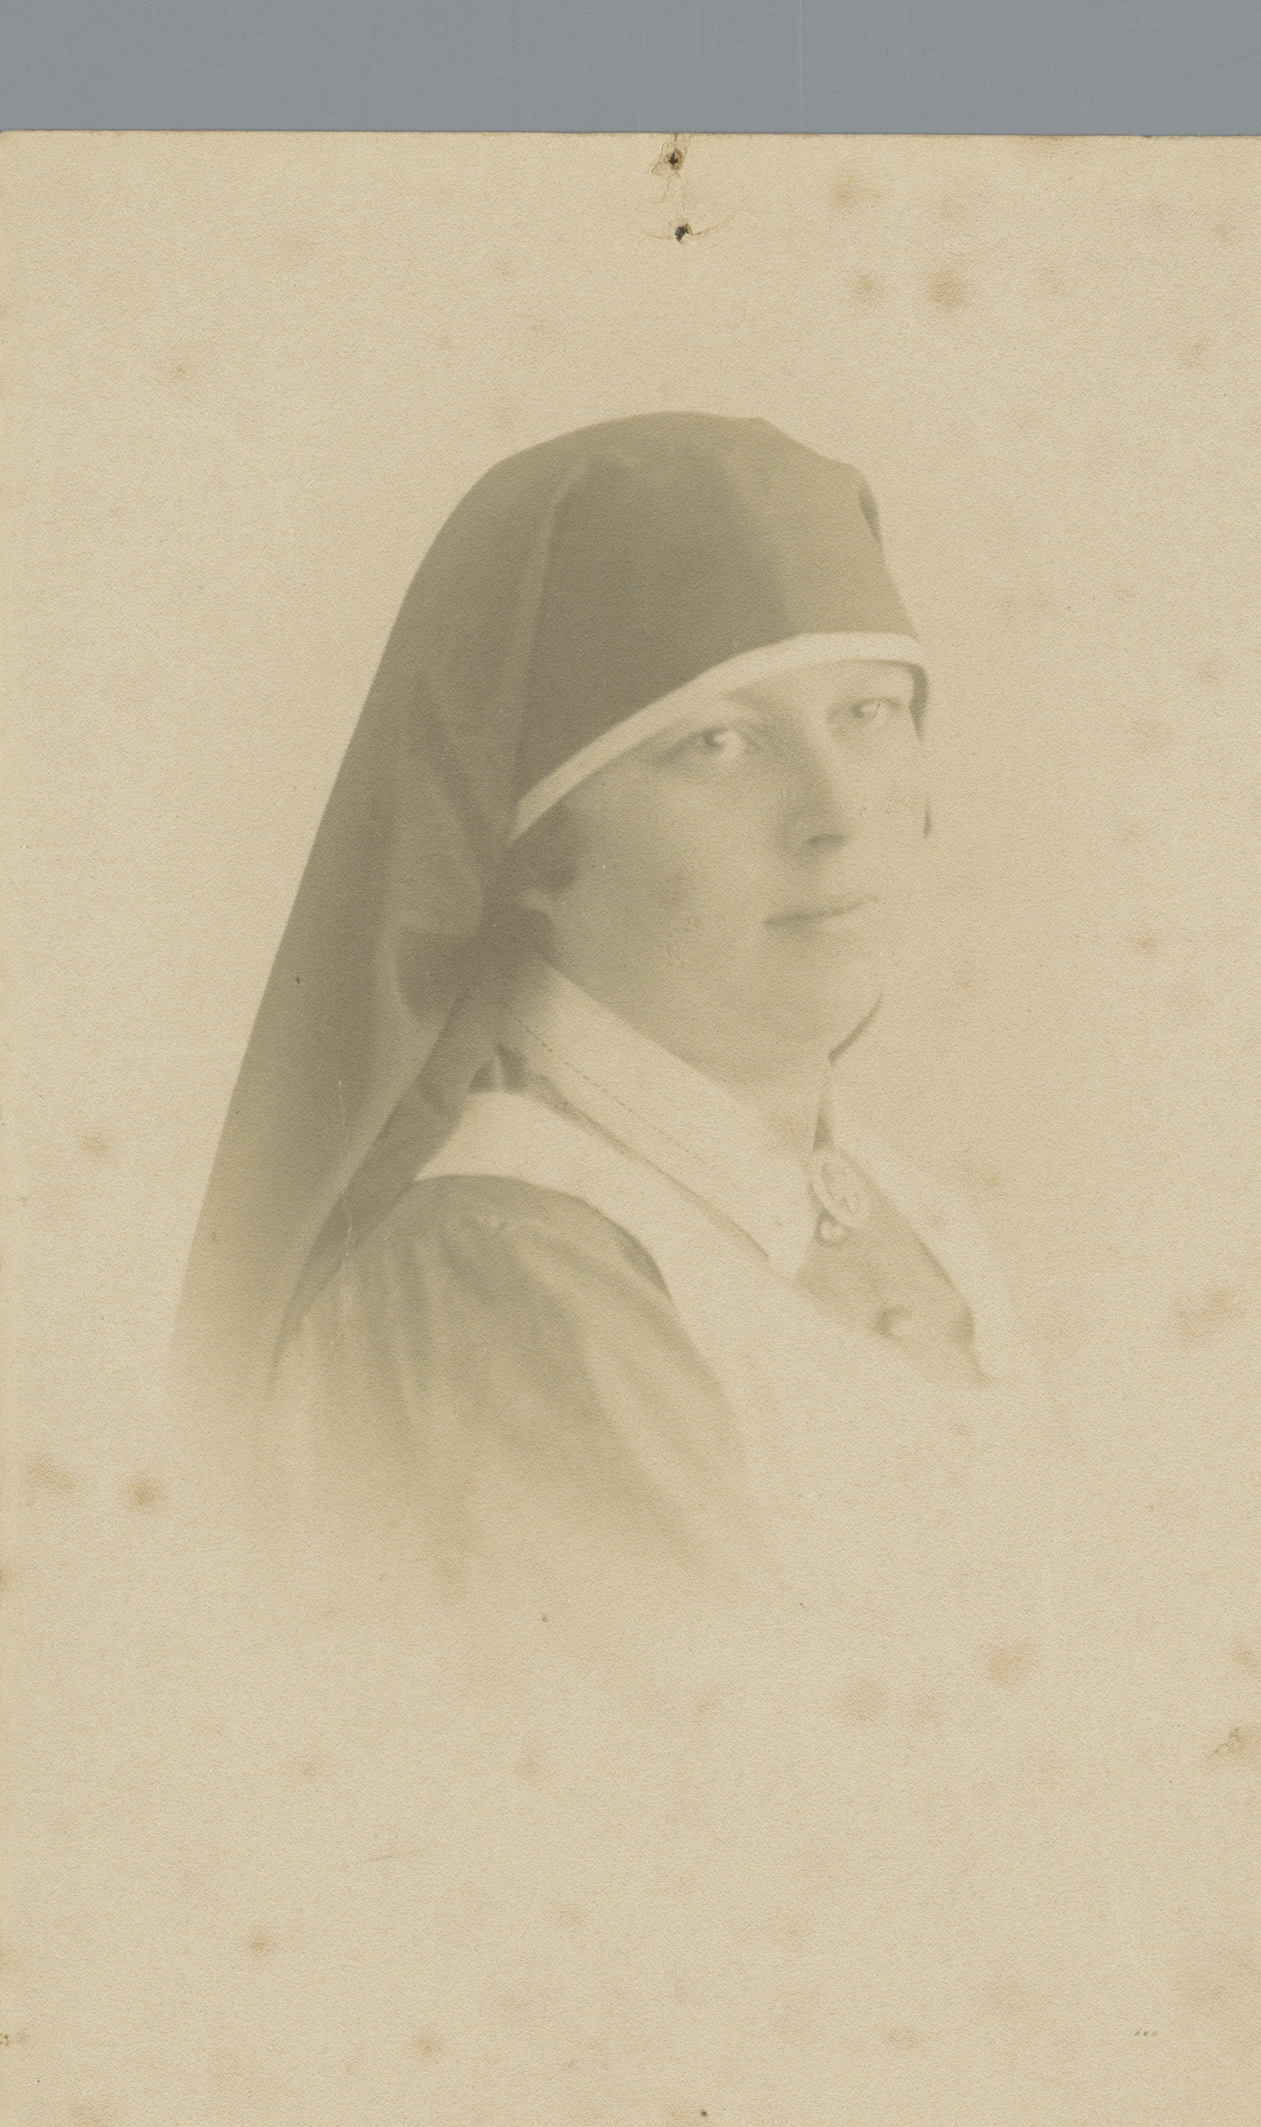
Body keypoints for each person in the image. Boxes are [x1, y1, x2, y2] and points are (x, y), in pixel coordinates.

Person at [174, 413, 1053, 1667]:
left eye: (867, 711)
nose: (838, 813)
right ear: (533, 850)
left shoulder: (914, 1206)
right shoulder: (502, 1268)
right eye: (719, 744)